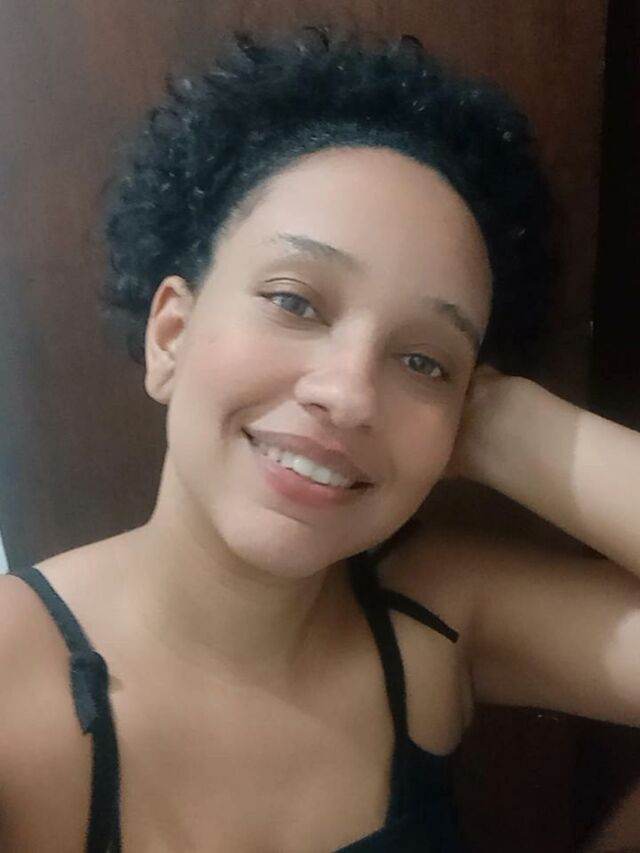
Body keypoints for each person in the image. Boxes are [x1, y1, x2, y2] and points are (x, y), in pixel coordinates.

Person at [1, 24, 638, 853]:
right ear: (170, 336)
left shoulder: (436, 618)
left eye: (423, 360)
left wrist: (508, 425)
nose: (349, 393)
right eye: (294, 302)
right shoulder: (14, 685)